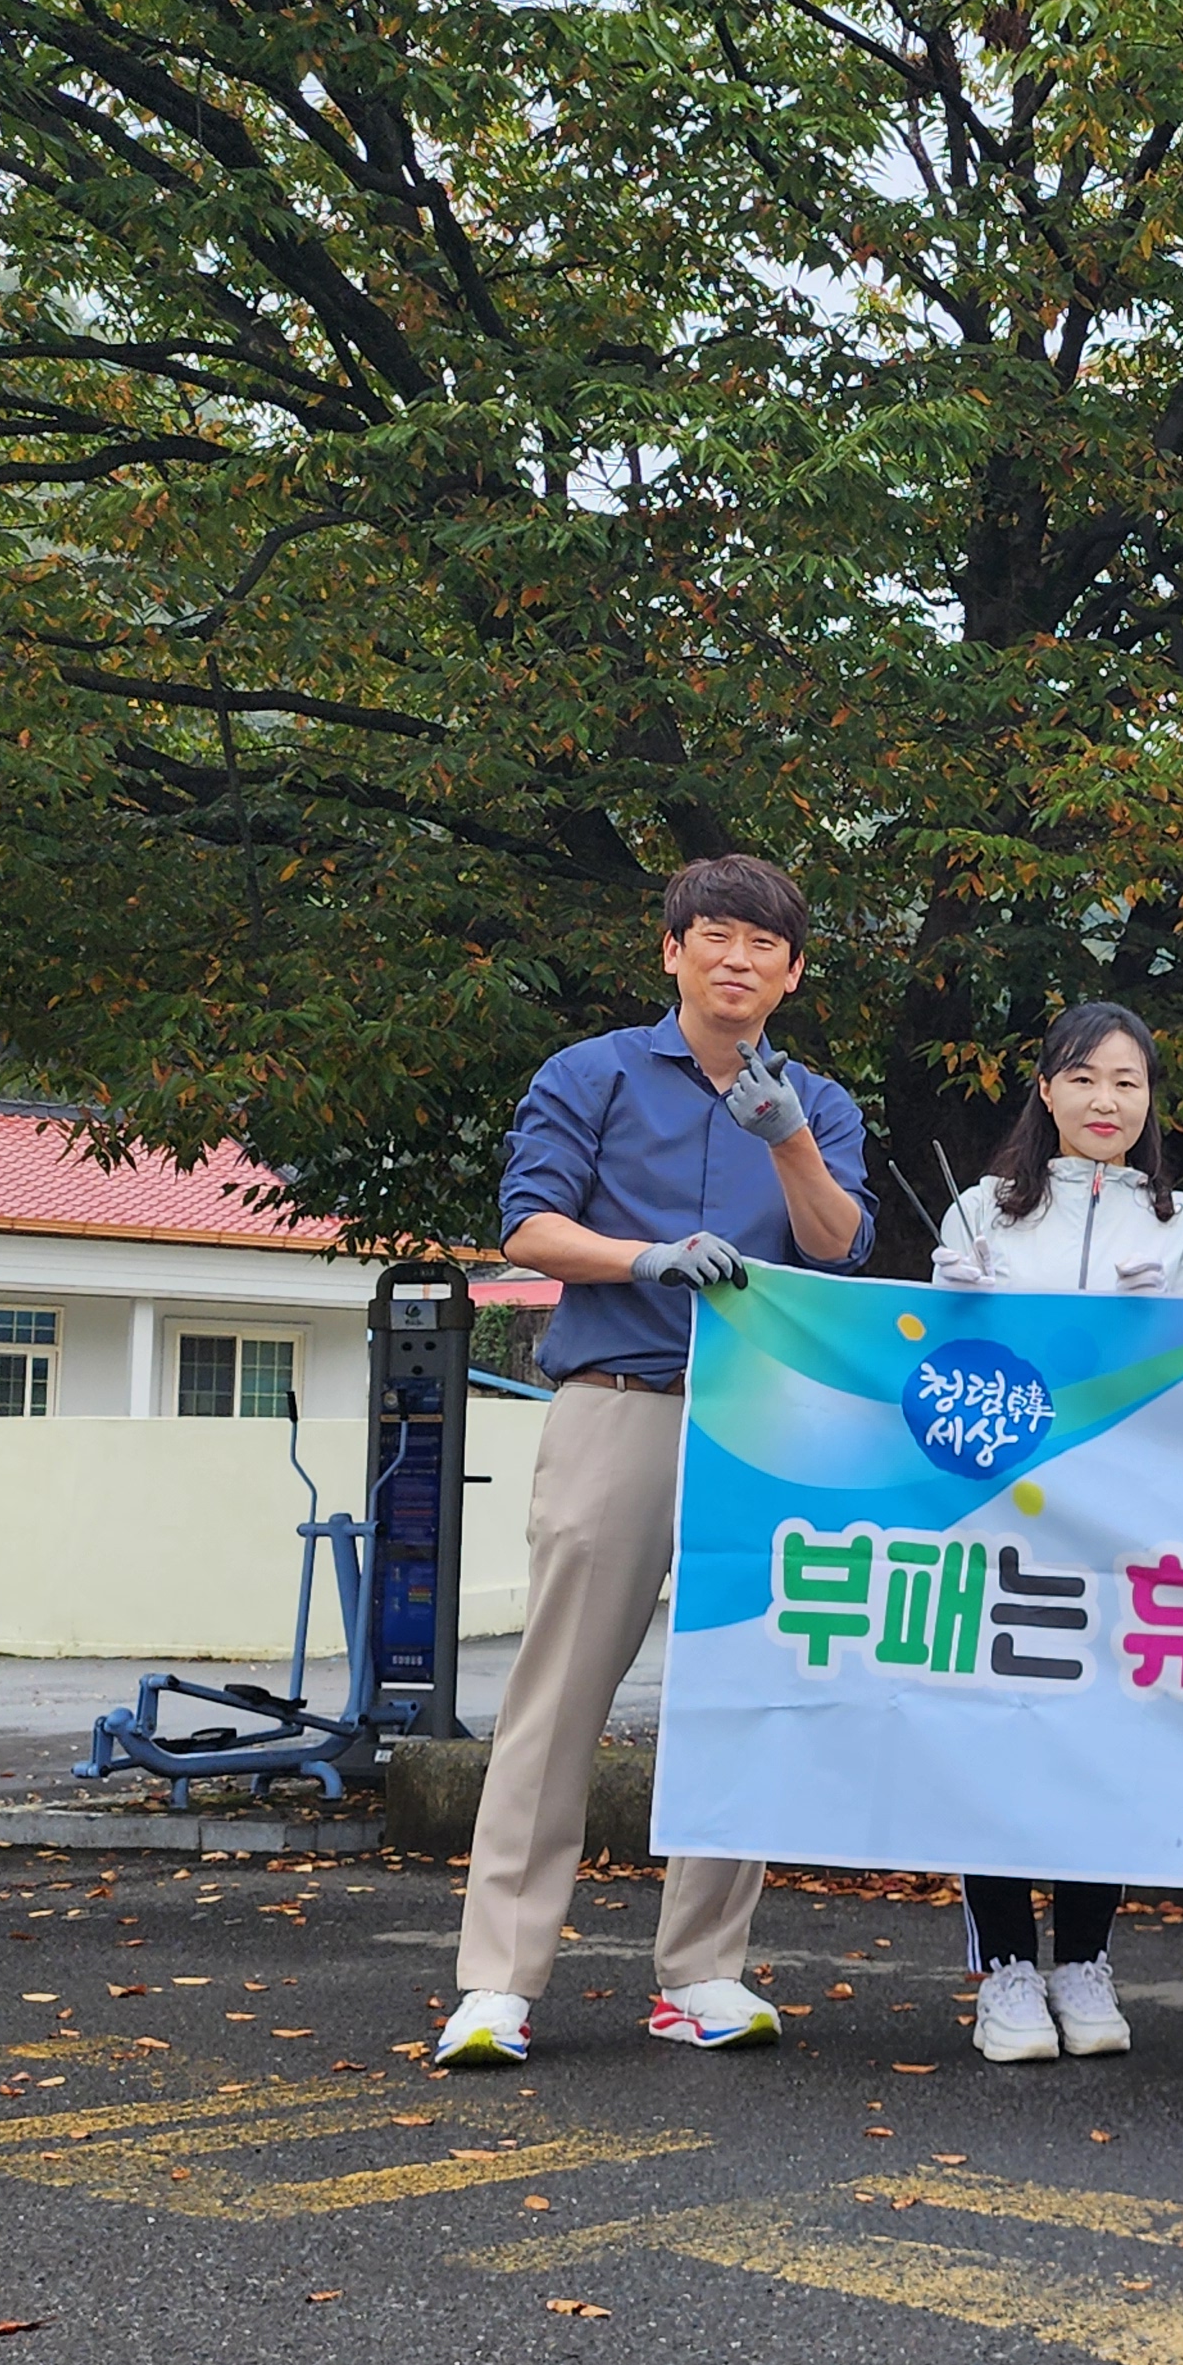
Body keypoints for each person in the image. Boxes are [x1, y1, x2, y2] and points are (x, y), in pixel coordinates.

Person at [436, 855, 874, 2070]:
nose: (738, 960)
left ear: (794, 972)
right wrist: (643, 1259)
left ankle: (703, 1975)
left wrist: (787, 1141)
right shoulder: (593, 1073)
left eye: (764, 946)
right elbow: (526, 1223)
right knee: (557, 1694)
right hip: (617, 1398)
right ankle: (497, 1983)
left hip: (761, 1424)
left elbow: (839, 1250)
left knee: (736, 1695)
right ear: (670, 950)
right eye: (715, 937)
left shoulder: (821, 1102)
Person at [928, 1001, 1183, 2064]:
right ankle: (1005, 1968)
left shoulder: (1182, 1220)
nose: (1107, 1100)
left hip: (1124, 1526)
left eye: (1128, 1082)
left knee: (1107, 1735)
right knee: (995, 1731)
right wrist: (947, 1307)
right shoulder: (977, 1215)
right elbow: (932, 1383)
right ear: (1044, 1089)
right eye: (1085, 1078)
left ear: (1150, 1102)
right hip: (999, 1524)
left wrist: (1166, 1328)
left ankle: (1084, 1958)